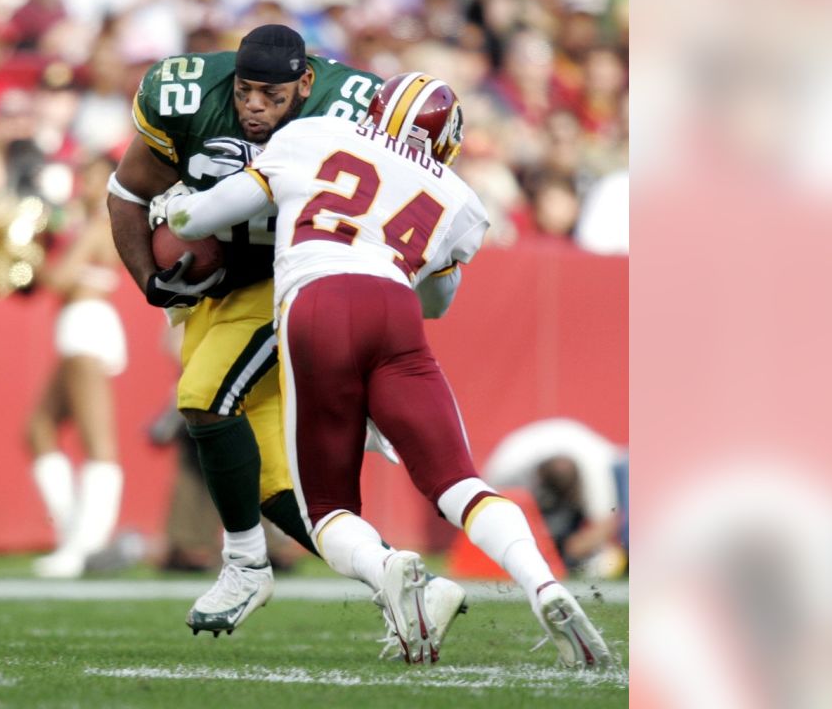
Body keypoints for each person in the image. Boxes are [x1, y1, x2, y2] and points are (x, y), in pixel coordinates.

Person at [158, 72, 612, 668]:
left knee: (327, 512)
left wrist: (175, 209)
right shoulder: (458, 196)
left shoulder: (316, 133)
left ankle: (389, 566)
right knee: (459, 483)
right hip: (397, 312)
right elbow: (438, 303)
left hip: (317, 298)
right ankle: (544, 585)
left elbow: (202, 221)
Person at [107, 24, 407, 636]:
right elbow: (125, 190)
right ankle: (396, 575)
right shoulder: (185, 92)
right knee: (272, 478)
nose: (253, 107)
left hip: (299, 278)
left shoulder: (353, 107)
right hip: (225, 291)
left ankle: (245, 563)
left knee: (202, 398)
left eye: (271, 96)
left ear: (305, 84)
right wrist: (148, 278)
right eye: (245, 92)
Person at [27, 155, 128, 578]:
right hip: (80, 327)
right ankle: (74, 537)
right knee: (38, 427)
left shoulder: (100, 224)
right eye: (83, 176)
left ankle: (86, 546)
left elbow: (59, 279)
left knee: (96, 440)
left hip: (86, 326)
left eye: (94, 177)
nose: (84, 184)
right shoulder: (86, 223)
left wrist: (25, 259)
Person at [484, 417, 629, 577]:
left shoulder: (595, 468)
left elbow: (605, 525)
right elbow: (488, 512)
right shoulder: (507, 468)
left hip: (617, 466)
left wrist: (570, 549)